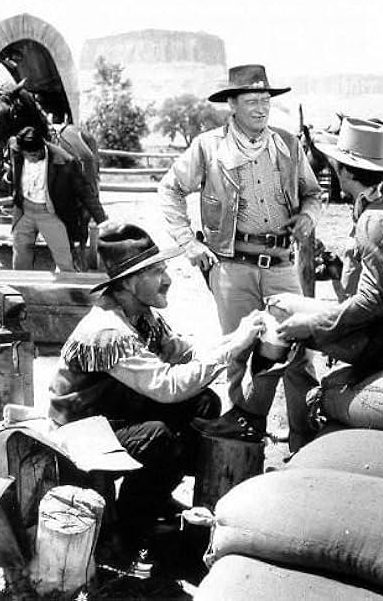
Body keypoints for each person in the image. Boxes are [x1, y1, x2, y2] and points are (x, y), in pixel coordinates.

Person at [48, 221, 265, 553]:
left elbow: (186, 355)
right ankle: (128, 533)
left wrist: (237, 338)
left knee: (203, 403)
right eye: (157, 272)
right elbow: (167, 387)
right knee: (158, 437)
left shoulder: (141, 315)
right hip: (79, 431)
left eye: (164, 268)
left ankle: (154, 498)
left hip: (114, 414)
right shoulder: (108, 330)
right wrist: (232, 348)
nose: (168, 279)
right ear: (130, 283)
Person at [157, 64, 323, 451]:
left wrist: (308, 218)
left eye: (265, 101)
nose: (261, 109)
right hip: (231, 265)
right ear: (232, 105)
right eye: (252, 101)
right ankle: (246, 435)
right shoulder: (208, 146)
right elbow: (170, 190)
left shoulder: (287, 144)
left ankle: (305, 439)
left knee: (299, 352)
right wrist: (190, 244)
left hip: (281, 264)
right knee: (240, 350)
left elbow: (314, 194)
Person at [270, 117, 383, 382]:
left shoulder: (376, 219)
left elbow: (373, 302)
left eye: (336, 166)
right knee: (287, 311)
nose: (333, 170)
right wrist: (338, 269)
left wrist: (314, 325)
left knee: (280, 310)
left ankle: (269, 416)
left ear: (348, 172)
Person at [9, 126, 107, 271]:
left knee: (64, 259)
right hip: (24, 211)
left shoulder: (65, 162)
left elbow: (85, 192)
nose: (30, 159)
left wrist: (102, 220)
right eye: (27, 155)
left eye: (34, 155)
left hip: (49, 213)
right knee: (20, 256)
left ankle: (71, 291)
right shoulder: (16, 149)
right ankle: (21, 291)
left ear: (43, 147)